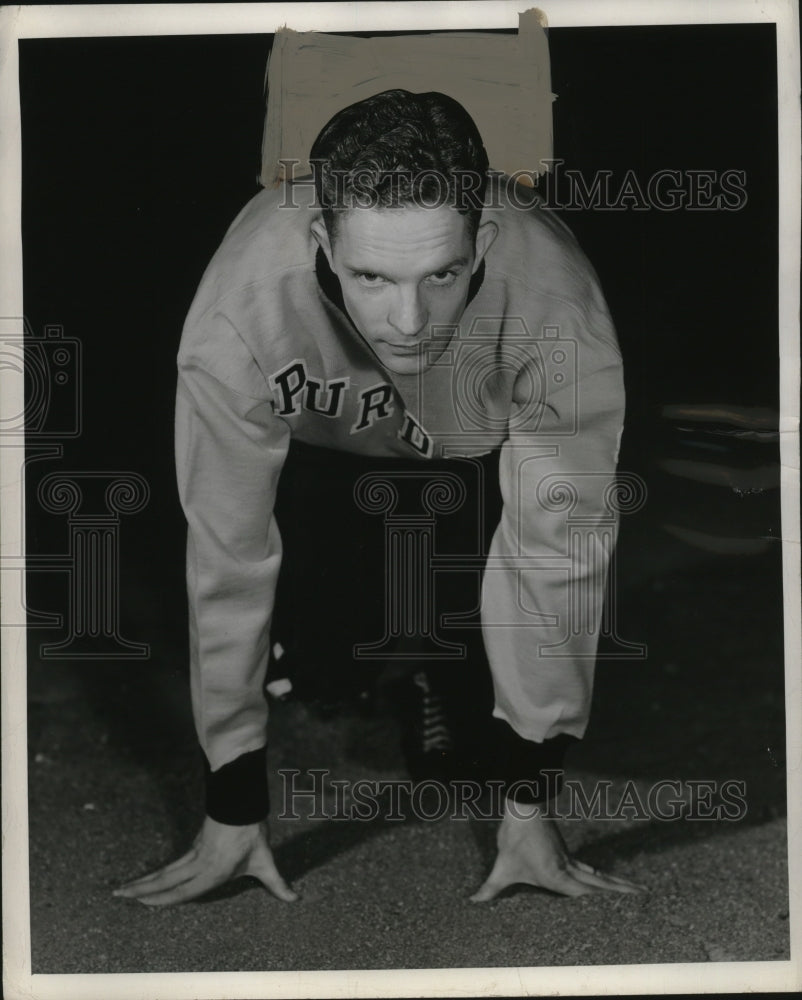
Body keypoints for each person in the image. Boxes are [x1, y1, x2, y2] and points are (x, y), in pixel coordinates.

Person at [115, 89, 641, 906]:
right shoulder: (237, 312)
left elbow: (557, 551)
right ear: (322, 240)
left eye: (442, 273)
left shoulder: (556, 310)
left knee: (471, 723)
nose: (408, 319)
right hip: (326, 442)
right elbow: (227, 554)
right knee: (325, 667)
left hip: (468, 436)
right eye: (370, 275)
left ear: (483, 241)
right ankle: (369, 653)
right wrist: (231, 804)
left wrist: (530, 802)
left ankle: (441, 662)